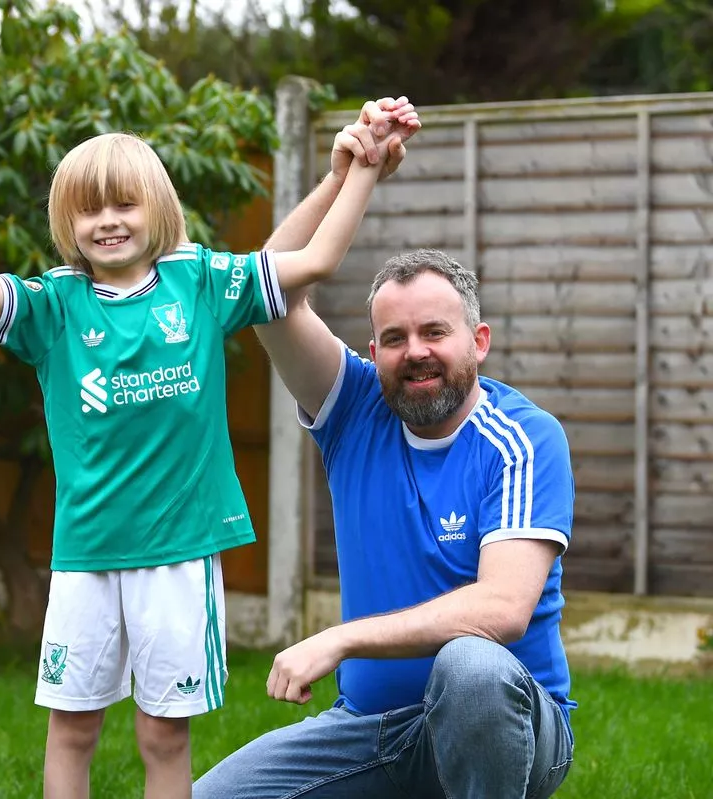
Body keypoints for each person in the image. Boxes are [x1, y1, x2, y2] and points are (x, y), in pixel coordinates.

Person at [0, 94, 416, 798]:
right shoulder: (54, 304)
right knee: (71, 731)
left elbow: (313, 261)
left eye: (124, 204)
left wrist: (360, 170)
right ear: (66, 223)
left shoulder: (202, 281)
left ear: (156, 208)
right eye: (88, 210)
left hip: (180, 555)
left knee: (163, 736)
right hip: (85, 556)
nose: (107, 220)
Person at [193, 102, 576, 799]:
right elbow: (264, 294)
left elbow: (501, 609)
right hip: (368, 727)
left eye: (435, 332)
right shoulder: (356, 409)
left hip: (513, 728)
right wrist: (345, 178)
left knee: (471, 667)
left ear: (478, 342)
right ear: (373, 352)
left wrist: (341, 638)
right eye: (395, 339)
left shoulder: (523, 438)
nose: (415, 352)